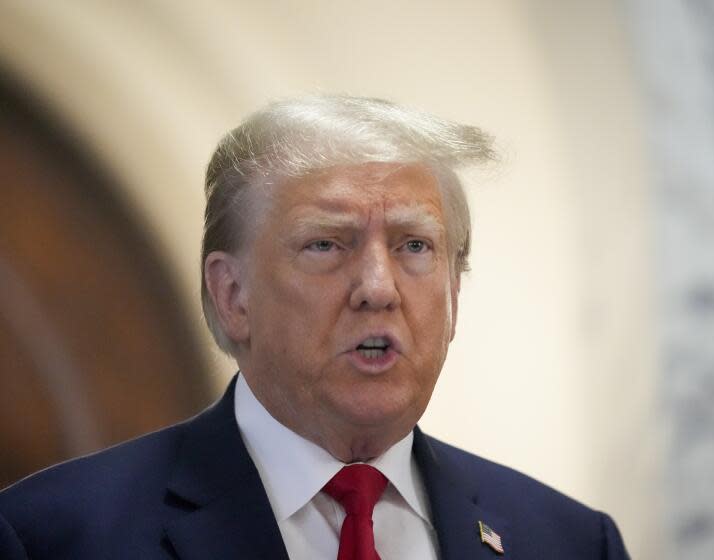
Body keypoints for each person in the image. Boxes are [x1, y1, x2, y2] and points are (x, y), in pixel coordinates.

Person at [0, 95, 630, 559]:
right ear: (232, 296)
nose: (379, 288)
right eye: (328, 244)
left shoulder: (570, 542)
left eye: (414, 246)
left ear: (454, 293)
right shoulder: (53, 537)